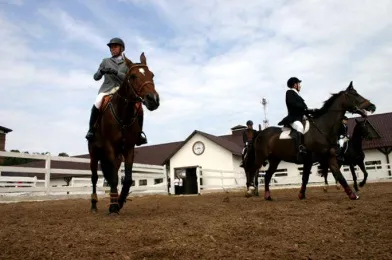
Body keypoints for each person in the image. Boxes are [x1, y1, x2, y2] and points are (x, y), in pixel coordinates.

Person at [85, 37, 147, 146]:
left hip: (122, 91)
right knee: (97, 102)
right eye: (111, 47)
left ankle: (139, 134)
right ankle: (91, 130)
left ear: (121, 48)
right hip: (107, 89)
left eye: (115, 47)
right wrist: (101, 71)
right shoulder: (105, 61)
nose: (112, 49)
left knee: (138, 105)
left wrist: (115, 72)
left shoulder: (127, 63)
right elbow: (96, 77)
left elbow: (129, 78)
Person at [278, 77, 318, 157]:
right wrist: (304, 108)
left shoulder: (297, 94)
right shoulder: (289, 92)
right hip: (293, 118)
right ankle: (300, 148)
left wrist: (312, 111)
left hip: (300, 118)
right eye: (299, 84)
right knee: (300, 127)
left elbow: (304, 108)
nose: (300, 86)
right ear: (294, 85)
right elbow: (292, 104)